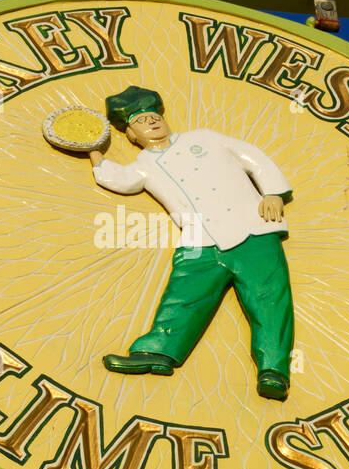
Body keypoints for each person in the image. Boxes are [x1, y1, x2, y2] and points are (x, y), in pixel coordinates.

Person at [89, 85, 295, 400]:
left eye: (154, 116)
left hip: (251, 225)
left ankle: (274, 369)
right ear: (131, 134)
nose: (152, 123)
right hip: (199, 234)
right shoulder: (145, 164)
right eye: (142, 121)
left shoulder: (204, 138)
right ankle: (158, 351)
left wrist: (273, 193)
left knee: (268, 298)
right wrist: (93, 150)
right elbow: (121, 180)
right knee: (184, 293)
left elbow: (254, 158)